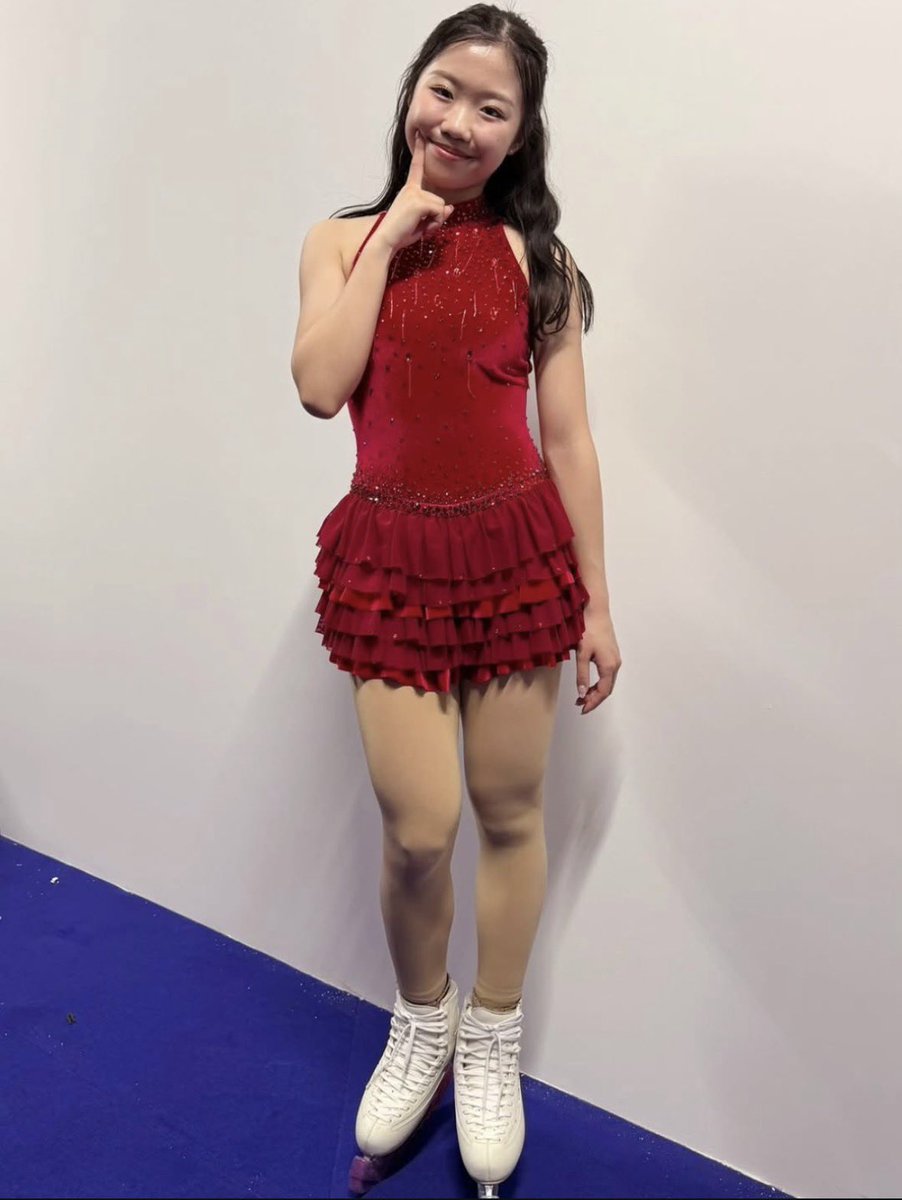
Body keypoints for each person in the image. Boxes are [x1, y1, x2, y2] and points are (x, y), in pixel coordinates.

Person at [290, 5, 621, 1195]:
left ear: (520, 133)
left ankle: (490, 1034)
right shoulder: (337, 239)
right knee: (419, 828)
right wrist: (393, 235)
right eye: (445, 90)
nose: (461, 121)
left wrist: (595, 602)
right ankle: (420, 1017)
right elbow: (319, 386)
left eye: (492, 108)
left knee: (510, 809)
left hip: (516, 559)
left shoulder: (542, 263)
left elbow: (567, 441)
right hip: (389, 561)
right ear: (410, 93)